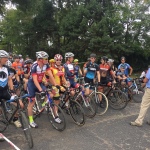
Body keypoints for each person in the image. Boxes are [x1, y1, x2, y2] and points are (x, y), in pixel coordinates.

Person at [27, 51, 57, 128]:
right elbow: (35, 80)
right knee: (32, 103)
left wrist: (56, 85)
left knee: (50, 94)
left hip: (40, 83)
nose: (47, 60)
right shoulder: (34, 66)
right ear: (40, 59)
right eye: (45, 58)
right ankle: (31, 121)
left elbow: (51, 75)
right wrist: (40, 90)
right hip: (32, 84)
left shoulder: (46, 65)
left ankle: (43, 106)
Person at [0, 50, 21, 128]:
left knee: (17, 102)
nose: (7, 59)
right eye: (5, 57)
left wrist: (12, 91)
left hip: (5, 91)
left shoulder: (6, 68)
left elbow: (9, 79)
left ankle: (15, 119)